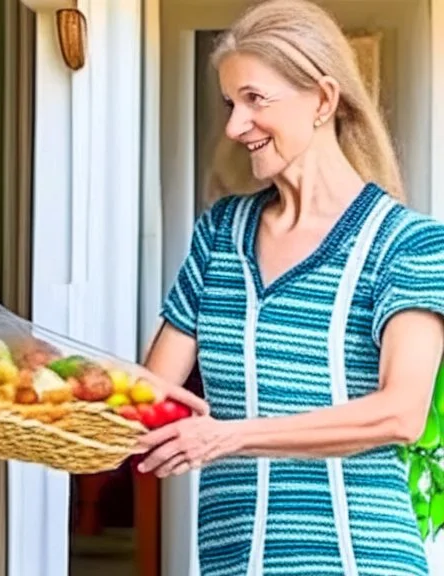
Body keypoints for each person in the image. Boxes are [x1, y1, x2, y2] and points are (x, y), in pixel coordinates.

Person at [137, 1, 440, 574]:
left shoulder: (408, 242)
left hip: (355, 557)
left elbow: (401, 412)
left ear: (324, 99)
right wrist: (27, 392)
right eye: (231, 103)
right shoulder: (221, 232)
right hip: (232, 558)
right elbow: (152, 395)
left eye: (255, 99)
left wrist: (229, 437)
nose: (233, 126)